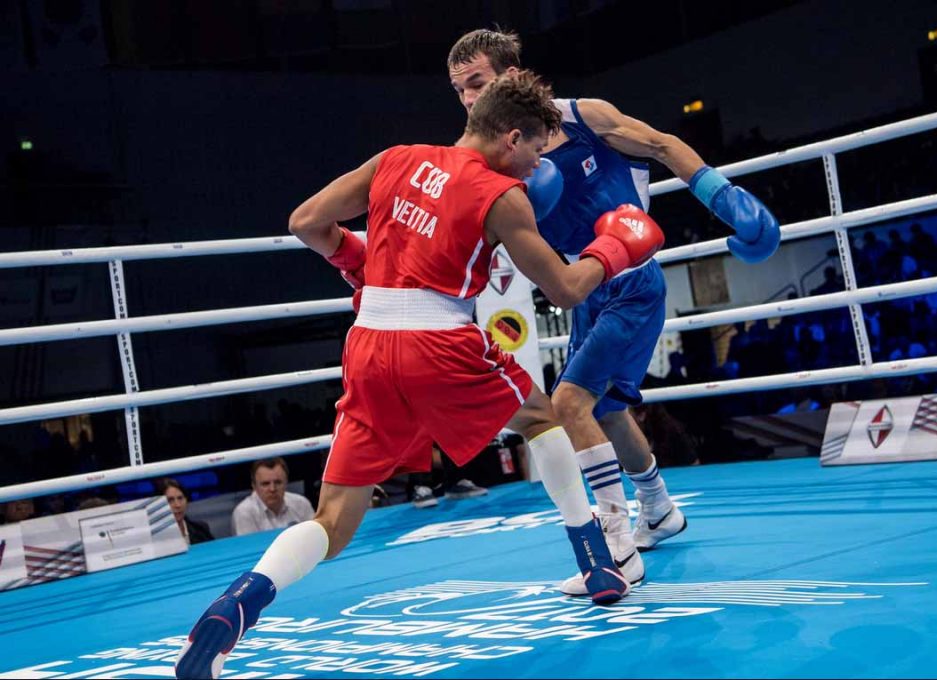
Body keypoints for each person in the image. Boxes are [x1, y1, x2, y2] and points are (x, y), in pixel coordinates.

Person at [175, 71, 664, 680]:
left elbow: (306, 222)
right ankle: (595, 559)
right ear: (512, 138)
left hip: (369, 345)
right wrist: (614, 248)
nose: (540, 165)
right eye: (538, 150)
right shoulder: (501, 195)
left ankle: (234, 610)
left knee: (332, 521)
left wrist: (357, 263)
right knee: (541, 416)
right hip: (440, 341)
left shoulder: (395, 159)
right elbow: (565, 290)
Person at [446, 29, 781, 595]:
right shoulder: (482, 156)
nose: (469, 100)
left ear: (509, 73)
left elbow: (663, 145)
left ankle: (617, 551)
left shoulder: (583, 116)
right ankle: (659, 510)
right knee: (603, 410)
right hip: (583, 285)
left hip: (631, 278)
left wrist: (726, 199)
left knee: (569, 403)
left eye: (477, 83)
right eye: (458, 91)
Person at [230, 457, 314, 536]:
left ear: (286, 482)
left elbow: (314, 537)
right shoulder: (244, 513)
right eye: (265, 484)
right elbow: (250, 548)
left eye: (278, 482)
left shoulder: (302, 504)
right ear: (254, 486)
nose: (272, 489)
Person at [157, 477, 214, 545]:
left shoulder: (201, 529)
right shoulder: (156, 539)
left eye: (180, 498)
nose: (177, 505)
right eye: (170, 500)